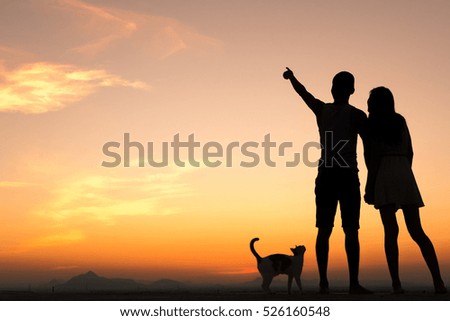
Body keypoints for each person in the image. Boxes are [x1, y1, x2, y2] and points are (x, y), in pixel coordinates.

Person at [283, 67, 371, 294]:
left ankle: (336, 283)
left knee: (334, 230)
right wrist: (293, 78)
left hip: (337, 175)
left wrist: (293, 78)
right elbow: (304, 94)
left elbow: (305, 94)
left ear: (349, 90)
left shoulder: (347, 114)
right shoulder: (348, 113)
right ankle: (338, 283)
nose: (335, 90)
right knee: (339, 230)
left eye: (337, 86)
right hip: (338, 175)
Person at [364, 86, 447, 294]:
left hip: (384, 171)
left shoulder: (372, 123)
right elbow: (410, 151)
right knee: (417, 231)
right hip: (403, 170)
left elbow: (372, 157)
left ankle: (396, 283)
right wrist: (405, 172)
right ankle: (438, 282)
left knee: (391, 232)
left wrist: (370, 185)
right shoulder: (400, 120)